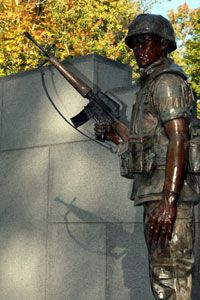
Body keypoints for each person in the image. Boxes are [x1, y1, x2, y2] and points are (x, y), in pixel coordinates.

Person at [95, 14, 199, 300]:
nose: (138, 49)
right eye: (134, 45)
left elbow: (180, 136)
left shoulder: (166, 82)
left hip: (167, 198)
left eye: (144, 42)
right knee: (162, 277)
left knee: (171, 277)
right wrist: (116, 136)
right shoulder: (149, 85)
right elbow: (148, 143)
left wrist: (169, 200)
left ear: (164, 45)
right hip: (155, 194)